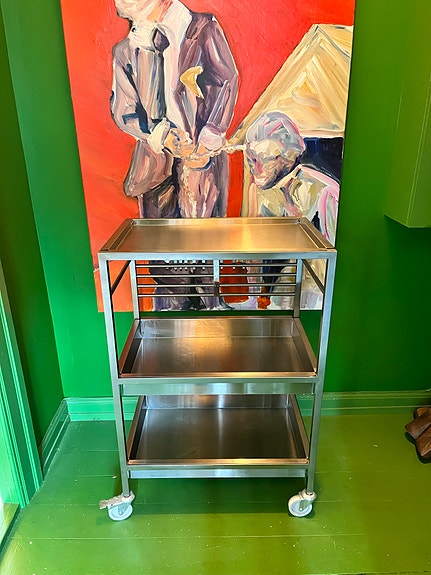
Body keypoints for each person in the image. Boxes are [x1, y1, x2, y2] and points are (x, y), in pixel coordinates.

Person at [111, 0, 238, 219]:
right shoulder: (127, 50)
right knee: (158, 238)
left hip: (201, 162)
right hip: (153, 169)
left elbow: (226, 80)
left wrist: (211, 133)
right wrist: (162, 135)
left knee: (203, 236)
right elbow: (124, 111)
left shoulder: (203, 29)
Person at [245, 111, 339, 245]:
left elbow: (331, 252)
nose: (256, 168)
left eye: (266, 158)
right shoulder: (259, 190)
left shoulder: (326, 193)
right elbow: (254, 246)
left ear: (289, 156)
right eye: (252, 160)